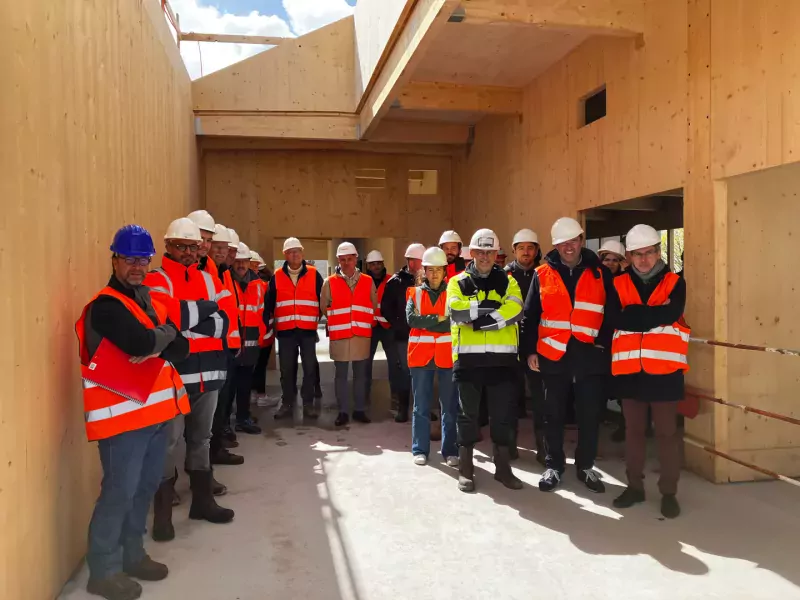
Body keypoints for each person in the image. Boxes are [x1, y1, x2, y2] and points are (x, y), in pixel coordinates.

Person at [76, 225, 190, 600]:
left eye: (143, 259)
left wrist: (163, 340)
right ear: (115, 260)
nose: (138, 266)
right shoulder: (106, 306)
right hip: (121, 422)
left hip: (153, 417)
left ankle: (132, 555)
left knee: (143, 488)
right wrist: (162, 338)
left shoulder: (149, 302)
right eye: (130, 259)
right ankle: (103, 571)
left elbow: (182, 347)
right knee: (119, 493)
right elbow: (140, 341)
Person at [145, 218, 235, 542]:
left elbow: (226, 322)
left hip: (208, 373)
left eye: (193, 247)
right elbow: (165, 316)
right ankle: (163, 514)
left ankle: (202, 502)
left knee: (201, 439)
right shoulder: (156, 279)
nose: (187, 252)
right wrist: (206, 310)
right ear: (168, 246)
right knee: (169, 442)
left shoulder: (210, 280)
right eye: (181, 246)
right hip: (172, 376)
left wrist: (188, 316)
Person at [521, 217, 617, 494]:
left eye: (573, 241)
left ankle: (586, 466)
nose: (568, 247)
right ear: (555, 245)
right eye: (562, 243)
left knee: (589, 415)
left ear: (581, 240)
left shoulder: (600, 273)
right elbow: (530, 317)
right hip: (553, 355)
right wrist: (529, 352)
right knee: (553, 414)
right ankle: (554, 466)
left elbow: (610, 314)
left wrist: (602, 342)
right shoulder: (541, 275)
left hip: (589, 356)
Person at [610, 224, 689, 519]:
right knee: (633, 433)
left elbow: (671, 313)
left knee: (667, 435)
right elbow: (615, 318)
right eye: (637, 254)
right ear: (628, 256)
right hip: (631, 373)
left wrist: (634, 314)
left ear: (658, 252)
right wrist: (653, 315)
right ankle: (634, 487)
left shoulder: (674, 283)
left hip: (665, 373)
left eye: (649, 253)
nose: (643, 260)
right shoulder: (617, 283)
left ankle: (669, 492)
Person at [448, 229, 524, 493]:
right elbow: (457, 311)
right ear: (471, 253)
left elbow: (515, 309)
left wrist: (479, 321)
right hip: (468, 362)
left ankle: (503, 470)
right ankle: (466, 470)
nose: (484, 257)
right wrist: (494, 309)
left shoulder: (509, 281)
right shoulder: (457, 282)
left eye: (489, 252)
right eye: (479, 252)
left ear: (496, 254)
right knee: (467, 417)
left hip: (502, 363)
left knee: (502, 418)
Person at [407, 247, 459, 467]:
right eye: (430, 270)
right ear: (424, 272)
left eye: (439, 270)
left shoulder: (454, 293)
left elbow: (455, 320)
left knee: (449, 405)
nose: (435, 274)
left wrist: (429, 320)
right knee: (421, 405)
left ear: (445, 271)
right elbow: (411, 320)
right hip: (421, 356)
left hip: (447, 356)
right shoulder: (415, 293)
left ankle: (450, 451)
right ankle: (420, 449)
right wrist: (438, 318)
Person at [264, 237, 324, 421]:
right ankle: (287, 403)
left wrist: (314, 319)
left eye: (297, 251)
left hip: (307, 331)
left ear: (303, 253)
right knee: (286, 370)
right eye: (290, 252)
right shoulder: (277, 276)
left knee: (309, 368)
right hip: (286, 332)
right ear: (285, 255)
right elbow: (268, 304)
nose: (294, 254)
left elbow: (323, 302)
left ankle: (308, 404)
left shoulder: (314, 275)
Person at [321, 242, 377, 426]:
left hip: (360, 334)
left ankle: (359, 410)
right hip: (341, 335)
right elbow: (324, 307)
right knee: (341, 376)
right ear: (338, 260)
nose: (346, 263)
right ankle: (343, 412)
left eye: (349, 259)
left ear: (356, 259)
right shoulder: (329, 282)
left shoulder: (368, 281)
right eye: (342, 260)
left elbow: (373, 304)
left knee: (361, 375)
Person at [505, 228, 545, 463]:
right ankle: (509, 446)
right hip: (510, 347)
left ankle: (543, 448)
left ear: (537, 250)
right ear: (514, 250)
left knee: (541, 400)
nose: (526, 252)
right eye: (521, 248)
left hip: (537, 347)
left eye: (530, 247)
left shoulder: (544, 274)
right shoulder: (504, 276)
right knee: (509, 399)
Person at [209, 225, 245, 468]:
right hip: (214, 347)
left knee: (222, 403)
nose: (227, 254)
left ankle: (217, 445)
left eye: (230, 250)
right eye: (221, 249)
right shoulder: (212, 272)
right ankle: (213, 452)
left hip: (227, 346)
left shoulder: (225, 273)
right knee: (213, 407)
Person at [381, 243, 424, 422]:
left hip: (425, 335)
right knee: (405, 373)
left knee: (423, 374)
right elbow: (385, 308)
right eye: (421, 261)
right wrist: (398, 324)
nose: (424, 264)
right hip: (403, 337)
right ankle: (403, 409)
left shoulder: (428, 280)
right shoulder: (395, 282)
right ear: (411, 261)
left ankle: (422, 409)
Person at [228, 242, 266, 434]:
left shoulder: (258, 285)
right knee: (227, 389)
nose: (241, 265)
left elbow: (262, 313)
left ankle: (243, 418)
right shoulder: (225, 281)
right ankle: (225, 424)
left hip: (251, 345)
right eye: (237, 262)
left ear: (250, 263)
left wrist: (261, 337)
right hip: (230, 345)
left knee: (244, 386)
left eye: (244, 261)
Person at [598, 239, 631, 443]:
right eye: (606, 259)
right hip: (600, 339)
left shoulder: (627, 281)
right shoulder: (595, 279)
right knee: (600, 382)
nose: (609, 263)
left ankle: (626, 425)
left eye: (614, 259)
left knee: (623, 386)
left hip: (622, 339)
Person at [363, 250, 403, 408]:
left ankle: (396, 396)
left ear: (383, 264)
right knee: (365, 364)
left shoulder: (392, 280)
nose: (376, 266)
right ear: (368, 266)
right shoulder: (363, 281)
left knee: (394, 364)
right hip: (370, 327)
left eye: (378, 263)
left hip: (388, 327)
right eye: (373, 264)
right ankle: (364, 396)